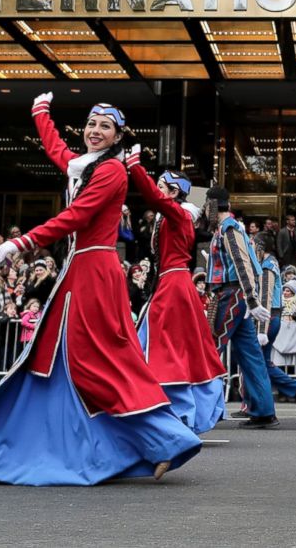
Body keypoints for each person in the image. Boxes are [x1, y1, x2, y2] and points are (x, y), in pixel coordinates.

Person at [0, 97, 200, 485]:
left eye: (105, 126)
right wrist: (40, 113)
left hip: (95, 273)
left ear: (118, 136)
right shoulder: (84, 167)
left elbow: (78, 215)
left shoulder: (112, 173)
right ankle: (37, 449)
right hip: (79, 272)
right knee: (53, 363)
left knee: (95, 362)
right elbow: (56, 150)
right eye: (91, 123)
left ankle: (167, 439)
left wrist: (22, 243)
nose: (95, 131)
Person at [124, 152, 230, 433]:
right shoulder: (176, 214)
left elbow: (160, 199)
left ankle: (172, 412)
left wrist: (135, 168)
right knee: (181, 348)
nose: (157, 190)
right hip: (172, 285)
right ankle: (164, 409)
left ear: (173, 193)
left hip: (173, 287)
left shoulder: (176, 213)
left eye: (162, 186)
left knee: (166, 351)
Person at [208, 185, 284, 426]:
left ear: (212, 205)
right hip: (236, 296)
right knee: (251, 356)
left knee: (209, 350)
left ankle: (202, 409)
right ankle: (263, 411)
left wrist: (251, 299)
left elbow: (242, 264)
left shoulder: (228, 228)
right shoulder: (227, 228)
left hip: (230, 295)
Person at [258, 233, 296, 409]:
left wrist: (261, 330)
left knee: (256, 363)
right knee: (262, 363)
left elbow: (265, 297)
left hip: (268, 317)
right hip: (272, 317)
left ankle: (261, 405)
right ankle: (295, 388)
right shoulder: (271, 264)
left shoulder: (267, 267)